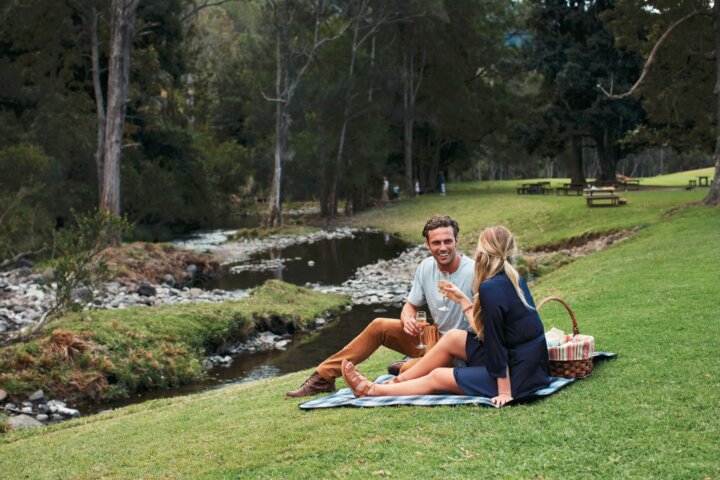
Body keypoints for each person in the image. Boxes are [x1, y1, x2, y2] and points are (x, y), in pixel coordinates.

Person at [341, 226, 550, 407]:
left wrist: (504, 391)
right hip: (532, 366)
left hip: (518, 377)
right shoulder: (513, 277)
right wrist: (462, 300)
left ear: (483, 252)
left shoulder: (491, 287)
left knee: (438, 376)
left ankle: (371, 391)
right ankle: (396, 383)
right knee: (453, 337)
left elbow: (496, 343)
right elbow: (488, 332)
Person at [286, 215, 475, 398]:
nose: (443, 248)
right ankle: (323, 378)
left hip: (458, 348)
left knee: (420, 371)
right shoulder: (426, 267)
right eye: (436, 243)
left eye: (448, 241)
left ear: (457, 240)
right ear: (427, 244)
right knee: (379, 325)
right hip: (433, 336)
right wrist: (407, 318)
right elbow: (410, 305)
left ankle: (402, 368)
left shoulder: (473, 271)